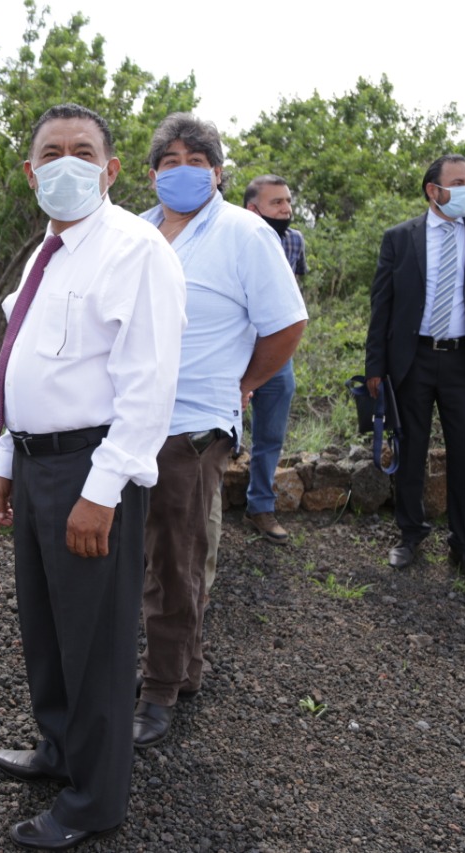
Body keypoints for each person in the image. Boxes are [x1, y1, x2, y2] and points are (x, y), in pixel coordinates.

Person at [0, 103, 185, 850]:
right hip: (36, 464)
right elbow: (21, 368)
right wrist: (6, 461)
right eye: (51, 152)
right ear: (31, 170)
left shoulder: (135, 249)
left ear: (111, 167)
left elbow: (148, 384)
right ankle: (62, 749)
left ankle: (94, 801)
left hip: (90, 468)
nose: (67, 163)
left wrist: (102, 492)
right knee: (47, 626)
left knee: (95, 641)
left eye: (83, 150)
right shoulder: (47, 251)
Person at [133, 117, 306, 748]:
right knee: (150, 551)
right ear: (153, 174)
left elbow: (286, 325)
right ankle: (184, 668)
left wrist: (242, 385)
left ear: (218, 171)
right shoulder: (136, 231)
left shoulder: (244, 233)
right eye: (170, 159)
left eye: (197, 157)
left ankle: (158, 691)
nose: (183, 167)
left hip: (194, 422)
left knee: (175, 557)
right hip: (129, 417)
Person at [365, 153, 465, 590]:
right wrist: (375, 365)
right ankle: (410, 536)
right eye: (459, 181)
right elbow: (383, 306)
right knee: (409, 452)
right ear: (434, 190)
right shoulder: (400, 237)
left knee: (464, 455)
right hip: (411, 359)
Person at [241, 174, 307, 544]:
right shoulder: (234, 238)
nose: (286, 209)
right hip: (232, 350)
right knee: (219, 436)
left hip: (276, 354)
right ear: (253, 209)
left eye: (287, 201)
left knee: (270, 433)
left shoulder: (294, 241)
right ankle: (205, 509)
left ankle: (260, 507)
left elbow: (292, 294)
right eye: (276, 203)